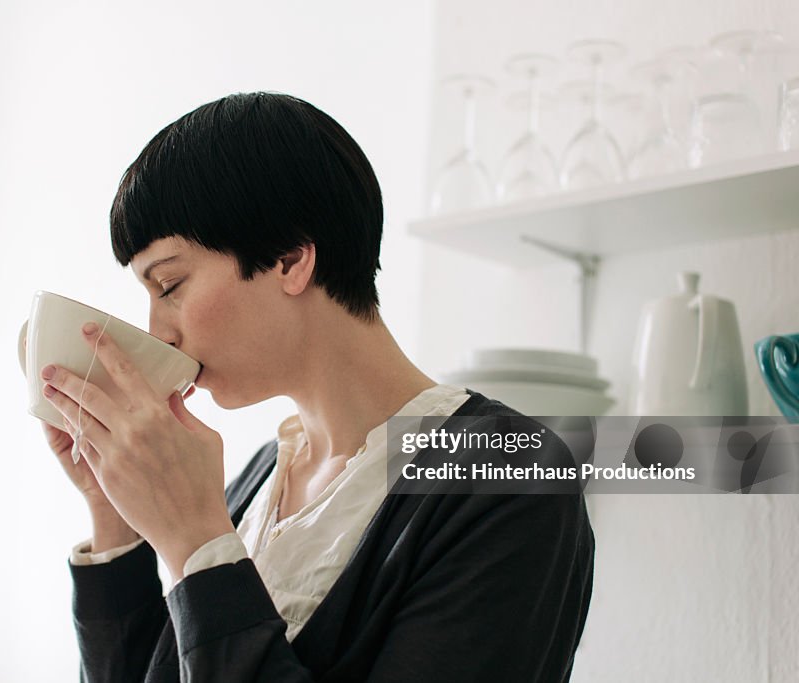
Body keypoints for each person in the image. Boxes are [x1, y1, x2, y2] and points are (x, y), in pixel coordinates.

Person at [35, 91, 594, 682]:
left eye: (170, 285)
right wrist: (117, 516)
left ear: (290, 260)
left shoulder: (511, 477)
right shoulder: (256, 482)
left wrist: (197, 544)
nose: (158, 333)